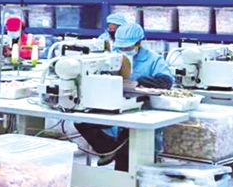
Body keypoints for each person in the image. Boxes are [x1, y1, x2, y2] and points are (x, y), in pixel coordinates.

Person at [75, 23, 174, 170]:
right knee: (82, 122)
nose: (124, 51)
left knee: (126, 154)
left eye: (128, 48)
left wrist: (142, 82)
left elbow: (167, 81)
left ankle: (121, 164)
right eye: (121, 47)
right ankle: (109, 150)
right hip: (112, 106)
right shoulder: (112, 55)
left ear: (139, 43)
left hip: (139, 111)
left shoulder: (153, 59)